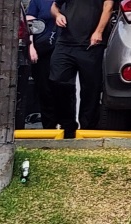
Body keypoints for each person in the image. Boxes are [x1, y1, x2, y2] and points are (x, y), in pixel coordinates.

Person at [49, 0, 115, 137]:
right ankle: (67, 125)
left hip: (92, 44)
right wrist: (58, 15)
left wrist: (99, 32)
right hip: (66, 42)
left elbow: (108, 6)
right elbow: (54, 6)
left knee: (91, 89)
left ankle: (88, 129)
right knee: (57, 80)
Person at [26, 0, 59, 130]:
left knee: (64, 87)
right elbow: (30, 22)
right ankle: (49, 126)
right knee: (45, 89)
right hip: (43, 50)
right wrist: (31, 46)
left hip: (66, 48)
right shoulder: (38, 1)